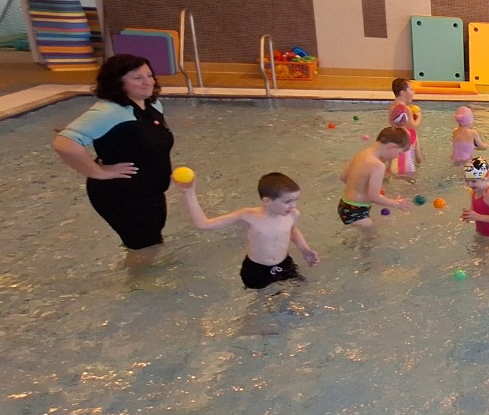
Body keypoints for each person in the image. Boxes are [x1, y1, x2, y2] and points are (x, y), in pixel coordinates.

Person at [52, 55, 176, 252]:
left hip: (148, 193)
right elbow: (64, 143)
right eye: (137, 78)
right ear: (118, 82)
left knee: (150, 244)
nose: (148, 82)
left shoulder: (152, 106)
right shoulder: (109, 111)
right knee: (144, 249)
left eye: (149, 75)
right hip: (121, 194)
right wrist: (98, 172)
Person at [178, 172, 319, 289]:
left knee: (301, 289)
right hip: (256, 269)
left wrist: (305, 250)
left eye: (295, 200)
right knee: (263, 303)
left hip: (284, 263)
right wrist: (189, 193)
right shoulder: (248, 216)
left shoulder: (292, 214)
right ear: (267, 201)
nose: (293, 205)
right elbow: (203, 224)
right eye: (287, 202)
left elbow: (293, 232)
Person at [337, 127, 414, 227]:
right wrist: (396, 204)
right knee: (371, 234)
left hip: (345, 204)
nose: (397, 156)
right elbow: (374, 197)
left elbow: (343, 176)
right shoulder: (378, 165)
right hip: (357, 209)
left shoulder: (362, 154)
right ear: (392, 147)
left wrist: (359, 189)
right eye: (399, 153)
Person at [460, 158, 489, 238]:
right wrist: (468, 215)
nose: (469, 185)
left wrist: (477, 217)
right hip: (482, 233)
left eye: (473, 181)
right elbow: (475, 212)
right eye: (467, 181)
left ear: (485, 177)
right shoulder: (475, 191)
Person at [387, 79, 421, 178]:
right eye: (411, 89)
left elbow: (393, 122)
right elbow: (412, 126)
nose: (414, 92)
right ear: (403, 93)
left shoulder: (392, 106)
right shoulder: (406, 109)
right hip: (405, 141)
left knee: (393, 167)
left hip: (394, 138)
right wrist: (419, 116)